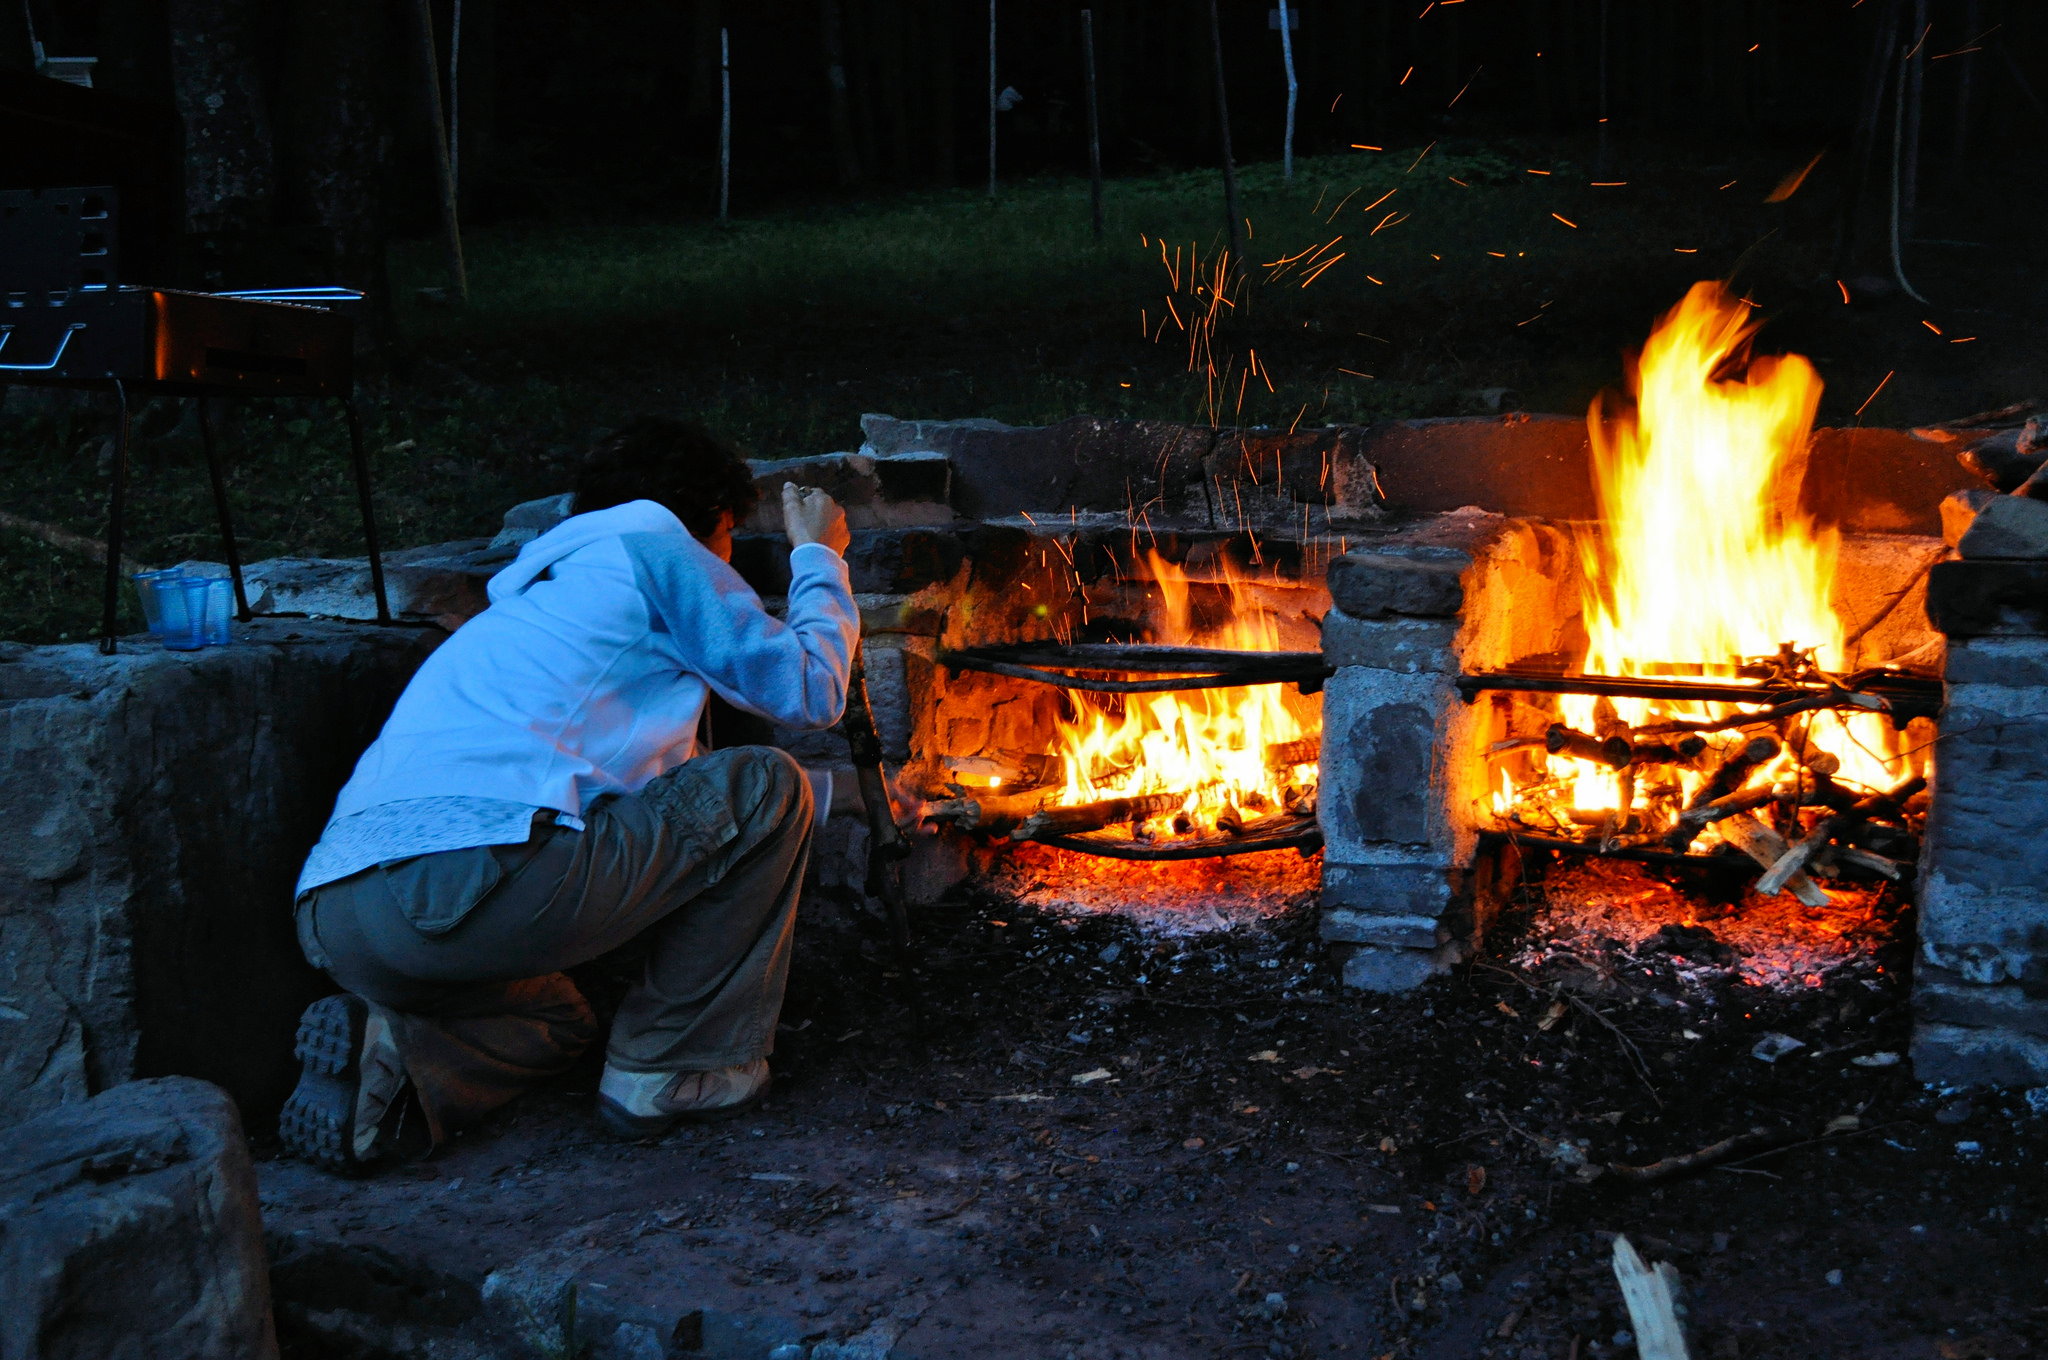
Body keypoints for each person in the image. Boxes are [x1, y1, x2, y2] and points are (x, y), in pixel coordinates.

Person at [280, 419, 857, 1170]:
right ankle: (677, 1069)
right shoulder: (655, 542)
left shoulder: (536, 600)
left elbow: (672, 808)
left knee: (560, 1020)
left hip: (339, 913)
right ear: (708, 520)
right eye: (726, 541)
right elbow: (811, 687)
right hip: (468, 883)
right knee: (766, 782)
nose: (725, 564)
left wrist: (842, 798)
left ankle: (394, 1058)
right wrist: (819, 555)